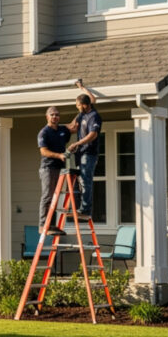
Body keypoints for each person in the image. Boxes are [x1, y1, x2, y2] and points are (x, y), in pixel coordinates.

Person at [67, 79, 101, 222]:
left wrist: (78, 143)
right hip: (81, 153)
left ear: (85, 105)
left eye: (78, 105)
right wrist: (82, 88)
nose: (77, 108)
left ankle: (85, 209)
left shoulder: (94, 116)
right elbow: (93, 98)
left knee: (86, 181)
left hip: (89, 153)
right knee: (81, 181)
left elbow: (93, 135)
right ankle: (80, 207)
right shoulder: (82, 114)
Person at [37, 106, 70, 236]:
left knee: (56, 197)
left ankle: (52, 225)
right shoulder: (44, 132)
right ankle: (43, 225)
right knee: (47, 196)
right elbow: (43, 151)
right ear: (47, 117)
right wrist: (59, 155)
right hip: (48, 168)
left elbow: (73, 126)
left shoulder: (62, 130)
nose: (55, 117)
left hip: (59, 168)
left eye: (57, 114)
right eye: (52, 115)